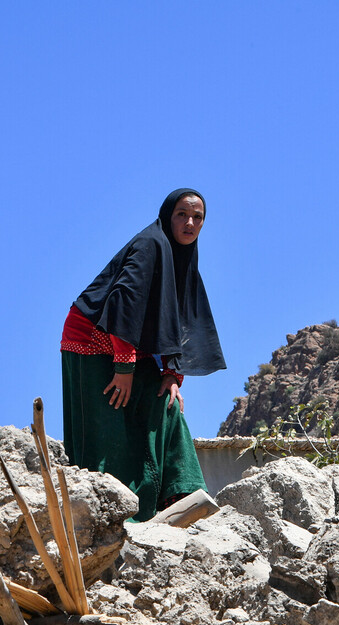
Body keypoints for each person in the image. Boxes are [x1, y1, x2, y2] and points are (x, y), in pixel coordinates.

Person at [61, 188, 225, 521]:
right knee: (108, 426)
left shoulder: (181, 259)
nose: (190, 223)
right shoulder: (151, 245)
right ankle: (107, 516)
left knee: (164, 403)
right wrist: (123, 369)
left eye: (198, 217)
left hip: (133, 350)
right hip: (93, 340)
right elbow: (124, 301)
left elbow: (173, 321)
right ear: (167, 216)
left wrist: (171, 374)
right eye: (182, 214)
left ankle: (181, 494)